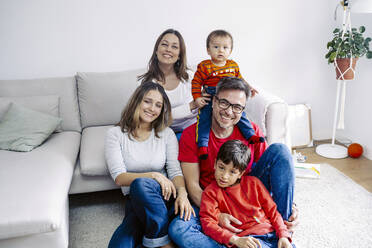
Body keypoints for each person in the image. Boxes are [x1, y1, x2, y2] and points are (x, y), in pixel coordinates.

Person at [168, 77, 298, 248]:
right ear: (214, 101)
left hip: (247, 198)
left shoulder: (251, 132)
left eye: (237, 107)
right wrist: (219, 215)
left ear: (243, 109)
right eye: (224, 103)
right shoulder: (192, 134)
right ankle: (242, 243)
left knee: (280, 151)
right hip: (212, 200)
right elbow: (193, 187)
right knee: (179, 229)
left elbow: (271, 171)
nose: (229, 112)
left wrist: (291, 205)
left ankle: (280, 233)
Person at [105, 82, 195, 248]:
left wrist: (183, 194)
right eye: (147, 101)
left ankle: (160, 241)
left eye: (158, 105)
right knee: (119, 245)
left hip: (165, 195)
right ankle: (161, 239)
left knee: (140, 185)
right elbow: (119, 178)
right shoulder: (115, 134)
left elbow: (175, 171)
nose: (152, 108)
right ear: (137, 101)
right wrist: (155, 175)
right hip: (136, 198)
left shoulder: (166, 134)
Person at [200, 140, 294, 248]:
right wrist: (234, 239)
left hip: (272, 233)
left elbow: (272, 211)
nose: (224, 176)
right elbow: (208, 224)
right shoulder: (210, 192)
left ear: (241, 173)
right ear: (215, 163)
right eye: (221, 167)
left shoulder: (254, 183)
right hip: (247, 241)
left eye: (232, 172)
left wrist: (283, 235)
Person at [191, 30, 263, 159]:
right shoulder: (204, 66)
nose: (220, 51)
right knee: (204, 119)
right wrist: (197, 98)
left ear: (230, 51)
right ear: (208, 50)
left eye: (225, 47)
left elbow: (240, 79)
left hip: (229, 95)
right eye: (216, 47)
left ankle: (250, 135)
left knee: (241, 115)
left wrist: (248, 87)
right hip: (211, 95)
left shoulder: (232, 65)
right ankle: (202, 144)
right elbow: (196, 83)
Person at [138, 29, 210, 140]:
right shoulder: (147, 83)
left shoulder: (190, 77)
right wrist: (191, 105)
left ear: (180, 55)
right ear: (156, 51)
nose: (168, 50)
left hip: (194, 129)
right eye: (164, 44)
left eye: (174, 47)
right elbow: (156, 118)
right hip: (163, 132)